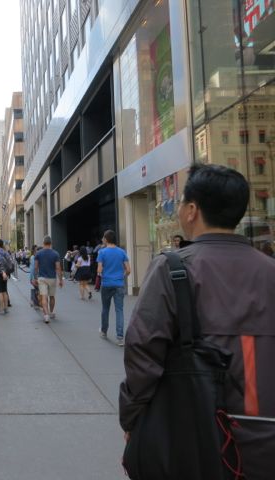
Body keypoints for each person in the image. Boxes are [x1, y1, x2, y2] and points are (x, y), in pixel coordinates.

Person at [120, 163, 275, 477]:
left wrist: (133, 416)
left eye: (181, 203)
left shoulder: (173, 268)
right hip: (265, 439)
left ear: (192, 210)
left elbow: (143, 351)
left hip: (194, 433)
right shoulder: (269, 271)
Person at [96, 230, 130, 345]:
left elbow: (99, 270)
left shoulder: (102, 252)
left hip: (106, 284)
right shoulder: (122, 252)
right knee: (119, 310)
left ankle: (104, 331)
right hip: (119, 284)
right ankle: (120, 337)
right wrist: (121, 276)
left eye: (103, 238)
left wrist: (103, 274)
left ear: (106, 239)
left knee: (105, 309)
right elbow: (128, 270)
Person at [34, 235, 64, 323]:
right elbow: (58, 268)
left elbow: (35, 267)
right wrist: (60, 280)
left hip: (42, 278)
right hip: (52, 278)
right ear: (51, 243)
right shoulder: (55, 254)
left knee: (44, 297)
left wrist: (35, 278)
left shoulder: (38, 253)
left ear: (43, 243)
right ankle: (51, 312)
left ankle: (46, 315)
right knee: (52, 296)